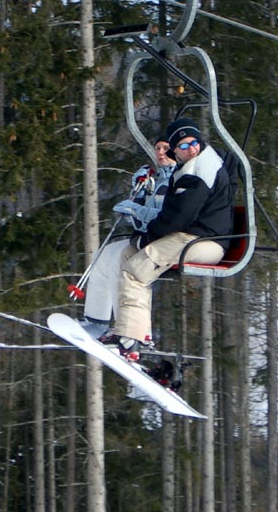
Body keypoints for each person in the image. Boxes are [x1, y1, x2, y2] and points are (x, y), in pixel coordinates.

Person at [100, 117, 234, 361]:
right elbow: (172, 216)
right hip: (192, 236)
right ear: (176, 152)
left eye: (195, 142)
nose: (191, 148)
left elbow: (178, 218)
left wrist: (148, 237)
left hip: (205, 241)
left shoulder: (199, 170)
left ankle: (132, 338)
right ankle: (132, 329)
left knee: (136, 270)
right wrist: (143, 237)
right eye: (183, 146)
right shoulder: (193, 167)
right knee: (128, 255)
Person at [81, 137, 177, 338]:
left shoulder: (177, 180)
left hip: (167, 241)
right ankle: (96, 319)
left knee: (122, 260)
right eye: (157, 148)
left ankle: (130, 329)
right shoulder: (156, 180)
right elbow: (138, 223)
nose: (160, 152)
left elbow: (166, 218)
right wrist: (138, 193)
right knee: (104, 254)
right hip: (149, 236)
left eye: (166, 149)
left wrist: (137, 210)